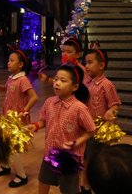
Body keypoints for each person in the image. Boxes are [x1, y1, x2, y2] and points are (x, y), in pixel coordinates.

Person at [28, 64, 96, 194]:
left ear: (75, 87)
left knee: (69, 189)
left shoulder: (79, 108)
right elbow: (44, 121)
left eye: (63, 81)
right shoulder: (49, 102)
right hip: (49, 152)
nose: (57, 83)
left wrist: (77, 142)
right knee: (43, 180)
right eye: (56, 79)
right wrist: (36, 125)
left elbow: (91, 130)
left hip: (69, 158)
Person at [0, 50, 38, 188]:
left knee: (13, 148)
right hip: (8, 118)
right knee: (4, 143)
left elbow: (34, 97)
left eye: (12, 60)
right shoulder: (11, 78)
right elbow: (5, 89)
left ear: (21, 64)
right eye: (8, 60)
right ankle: (6, 166)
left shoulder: (23, 80)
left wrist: (24, 111)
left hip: (17, 121)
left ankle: (21, 175)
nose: (8, 62)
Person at [81, 49, 121, 193]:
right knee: (85, 158)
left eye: (90, 62)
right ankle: (85, 185)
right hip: (86, 128)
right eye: (86, 63)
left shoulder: (107, 85)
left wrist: (111, 111)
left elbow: (115, 104)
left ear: (101, 65)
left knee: (97, 159)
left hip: (99, 131)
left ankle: (98, 184)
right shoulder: (86, 83)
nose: (86, 66)